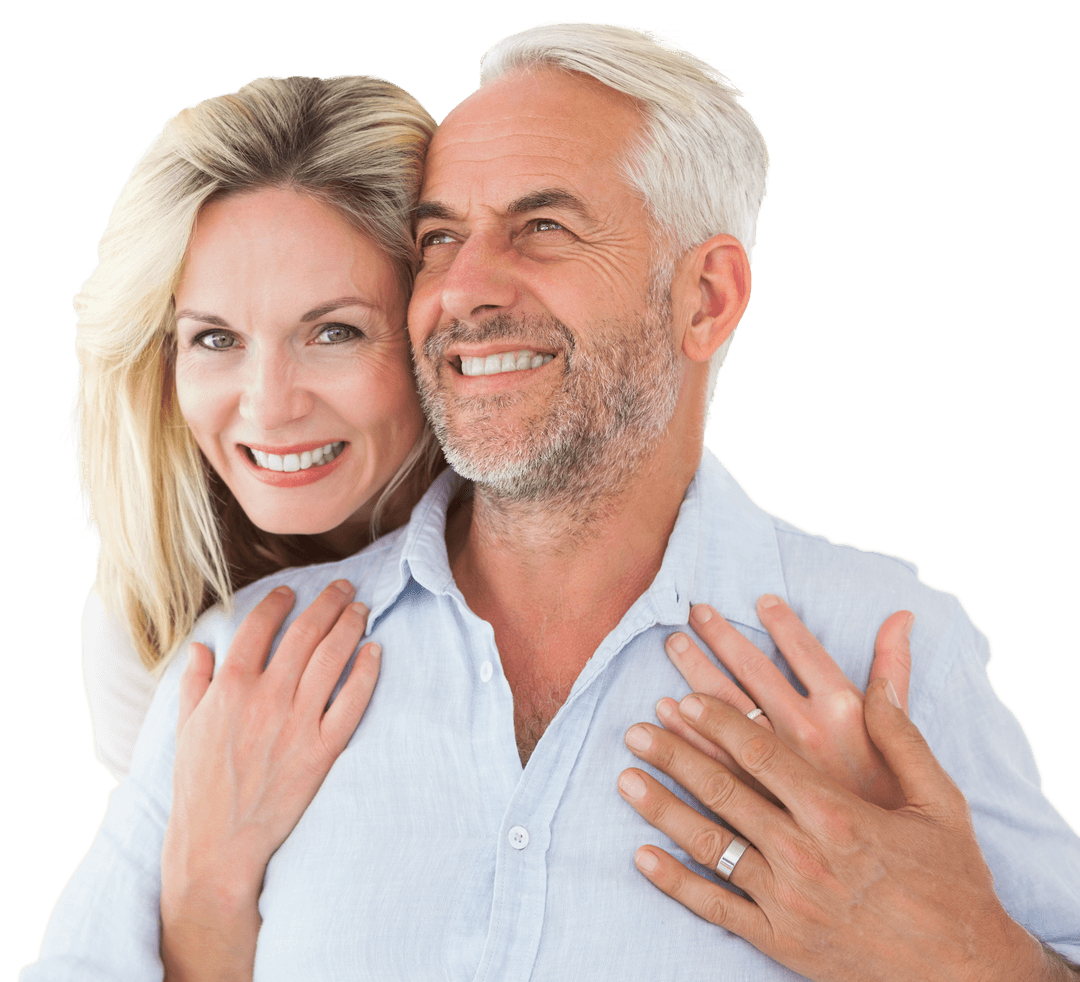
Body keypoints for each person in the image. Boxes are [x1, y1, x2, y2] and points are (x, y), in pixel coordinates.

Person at [23, 20, 1080, 982]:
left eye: (542, 226)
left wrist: (968, 957)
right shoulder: (243, 665)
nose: (464, 289)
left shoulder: (883, 649)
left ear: (704, 297)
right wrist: (204, 896)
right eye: (438, 237)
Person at [71, 73, 443, 781]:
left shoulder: (548, 545)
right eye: (216, 340)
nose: (270, 407)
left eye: (333, 332)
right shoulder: (146, 621)